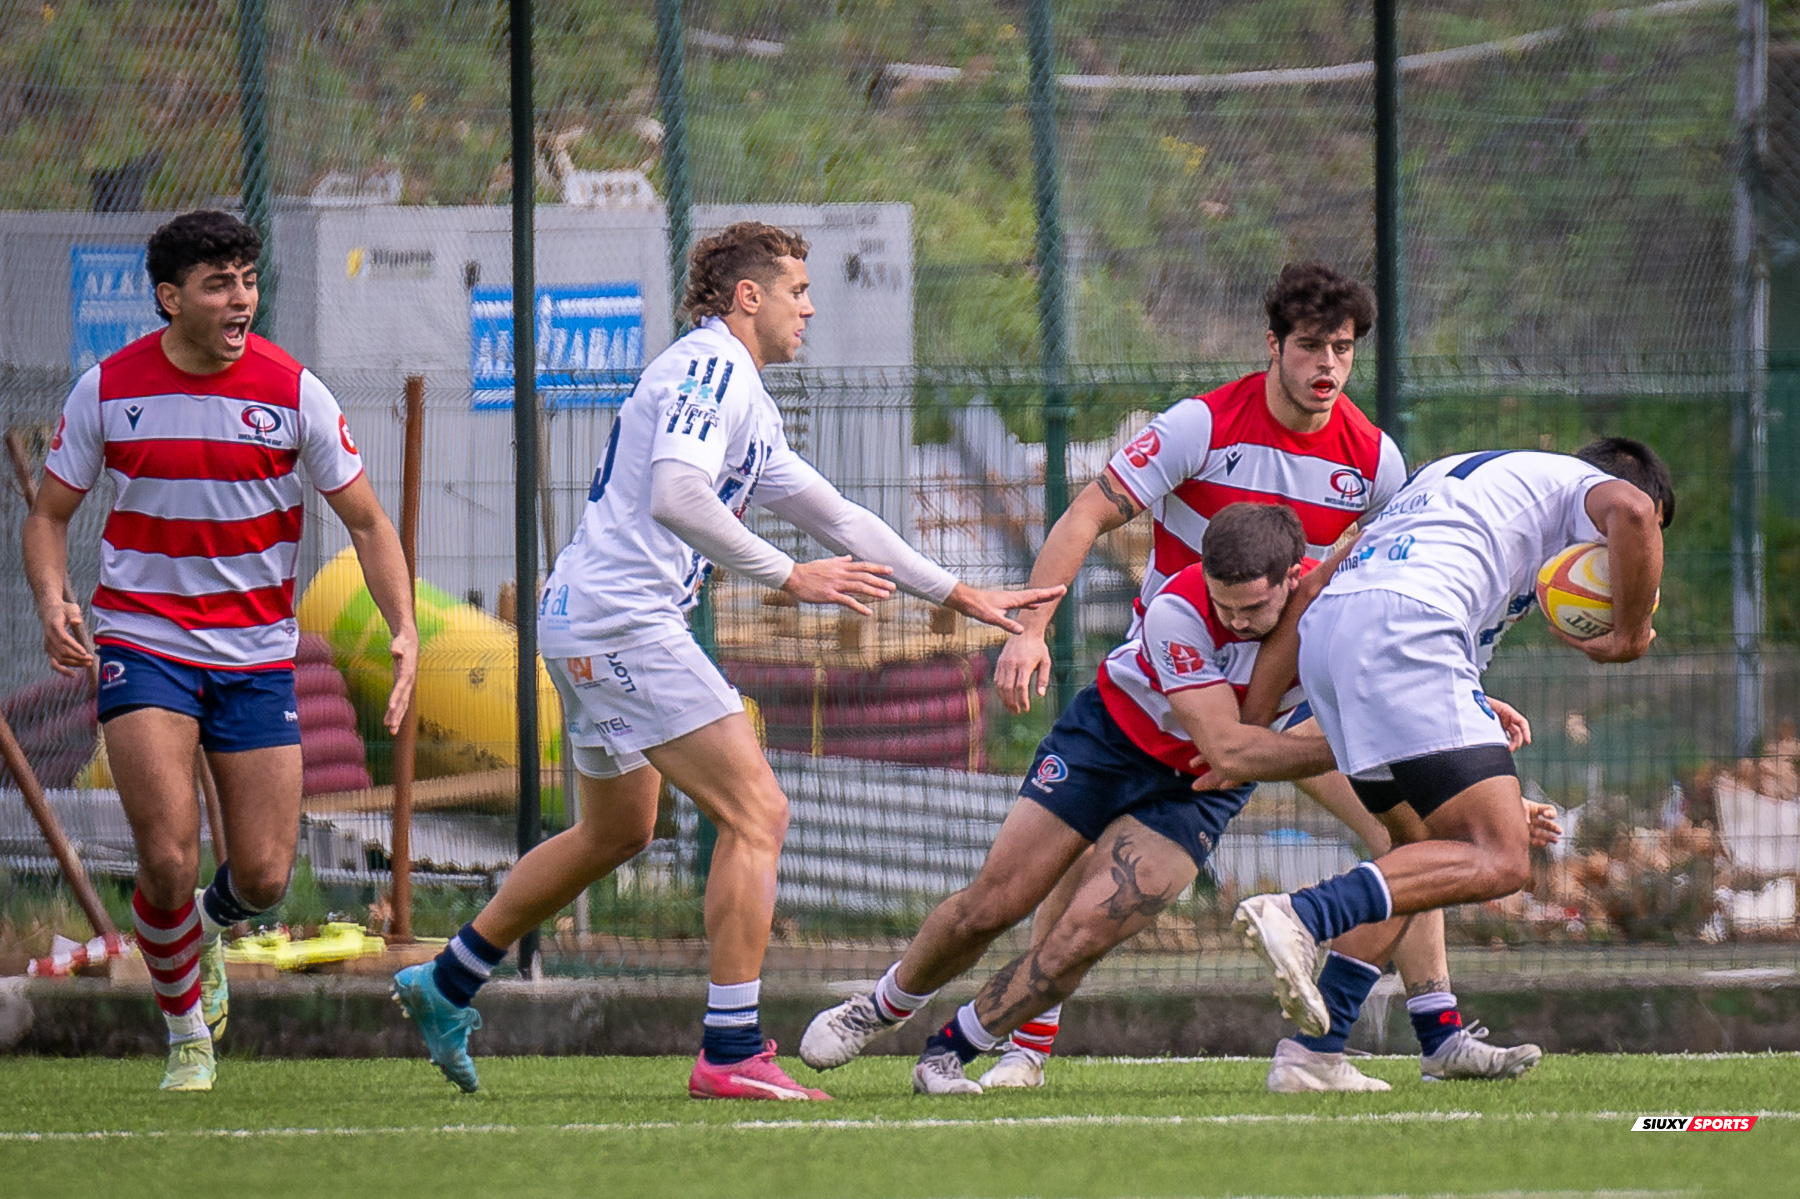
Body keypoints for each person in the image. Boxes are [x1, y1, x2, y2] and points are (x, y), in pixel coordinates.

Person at [390, 221, 1061, 1101]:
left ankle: (445, 980)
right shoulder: (708, 368)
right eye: (797, 291)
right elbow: (677, 492)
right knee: (759, 812)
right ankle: (732, 1048)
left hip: (588, 619)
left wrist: (957, 594)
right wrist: (787, 575)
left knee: (616, 830)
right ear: (749, 297)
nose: (810, 307)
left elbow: (842, 518)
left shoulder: (739, 388)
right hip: (622, 623)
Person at [978, 262, 1536, 1091]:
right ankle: (1024, 1048)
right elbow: (1088, 511)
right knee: (1090, 846)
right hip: (1188, 686)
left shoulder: (1375, 462)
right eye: (1311, 345)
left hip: (1304, 698)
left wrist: (1446, 692)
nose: (1328, 365)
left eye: (1343, 349)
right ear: (1272, 344)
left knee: (1417, 837)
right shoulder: (1201, 425)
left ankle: (1430, 1031)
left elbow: (1394, 591)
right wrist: (1030, 629)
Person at [24, 210, 418, 1093]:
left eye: (247, 279)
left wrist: (403, 627)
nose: (240, 299)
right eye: (218, 284)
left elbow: (366, 520)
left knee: (266, 877)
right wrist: (53, 599)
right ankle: (186, 1035)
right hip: (143, 642)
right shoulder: (107, 389)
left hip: (256, 654)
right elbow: (49, 514)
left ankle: (196, 931)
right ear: (170, 299)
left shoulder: (294, 390)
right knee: (167, 856)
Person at [801, 503, 1345, 1092]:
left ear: (1294, 576)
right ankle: (881, 1007)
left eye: (1254, 609)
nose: (1236, 621)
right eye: (1225, 606)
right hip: (1110, 741)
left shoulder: (1333, 614)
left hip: (1193, 793)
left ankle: (950, 1049)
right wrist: (1348, 745)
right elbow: (1232, 752)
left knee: (1087, 931)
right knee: (993, 905)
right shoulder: (1178, 609)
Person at [1233, 439, 1672, 1053]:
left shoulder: (1455, 489)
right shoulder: (1586, 491)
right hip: (1408, 635)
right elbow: (1633, 513)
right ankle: (1303, 915)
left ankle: (1325, 1049)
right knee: (1501, 857)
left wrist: (1252, 721)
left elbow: (1311, 595)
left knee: (1423, 854)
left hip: (1337, 641)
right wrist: (1630, 633)